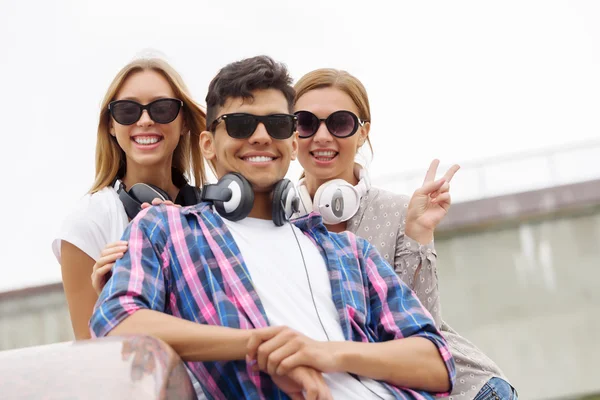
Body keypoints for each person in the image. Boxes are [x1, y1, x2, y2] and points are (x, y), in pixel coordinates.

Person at [90, 55, 456, 399]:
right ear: (207, 144)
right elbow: (118, 321)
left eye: (277, 124)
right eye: (240, 124)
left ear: (293, 142)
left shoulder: (350, 252)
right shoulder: (167, 229)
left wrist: (326, 354)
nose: (261, 136)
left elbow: (438, 361)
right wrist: (259, 345)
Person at [292, 68, 517, 400]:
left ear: (362, 133)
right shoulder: (276, 224)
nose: (322, 136)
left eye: (339, 123)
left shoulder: (401, 211)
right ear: (290, 132)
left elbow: (424, 332)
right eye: (306, 122)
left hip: (467, 392)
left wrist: (418, 234)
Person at [52, 56, 207, 340]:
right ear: (111, 125)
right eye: (127, 110)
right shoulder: (87, 223)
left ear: (184, 121)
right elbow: (92, 357)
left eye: (162, 108)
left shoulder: (212, 211)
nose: (145, 120)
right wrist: (113, 298)